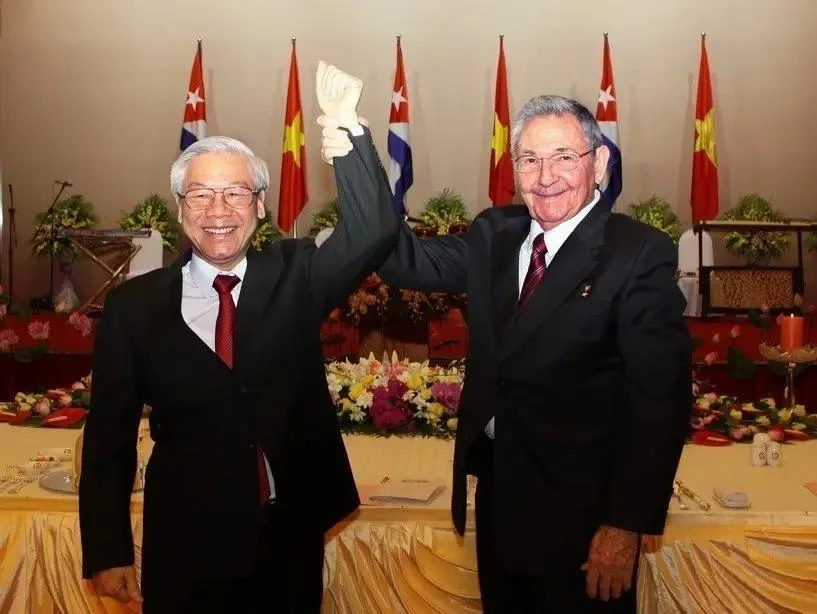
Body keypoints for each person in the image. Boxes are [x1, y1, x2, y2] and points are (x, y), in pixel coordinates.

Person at [79, 62, 397, 613]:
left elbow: (373, 231)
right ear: (180, 210)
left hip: (288, 538)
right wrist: (107, 549)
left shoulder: (297, 274)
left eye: (235, 193)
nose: (218, 212)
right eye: (200, 196)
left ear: (260, 205)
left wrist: (346, 129)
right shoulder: (134, 307)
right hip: (184, 547)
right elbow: (109, 438)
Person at [362, 94, 692, 612]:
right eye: (530, 159)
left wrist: (623, 526)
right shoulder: (496, 232)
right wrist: (356, 149)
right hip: (501, 501)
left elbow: (660, 403)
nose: (546, 176)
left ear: (599, 163)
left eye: (565, 157)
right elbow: (404, 261)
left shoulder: (636, 253)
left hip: (584, 521)